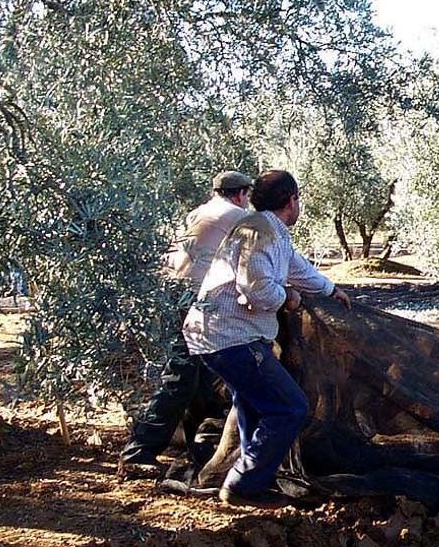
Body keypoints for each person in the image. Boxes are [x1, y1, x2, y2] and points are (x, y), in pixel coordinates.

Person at [182, 170, 351, 507]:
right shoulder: (259, 232)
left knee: (253, 406)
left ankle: (252, 480)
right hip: (230, 337)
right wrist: (287, 297)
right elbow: (258, 289)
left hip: (226, 335)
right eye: (298, 199)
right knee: (290, 407)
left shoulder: (269, 230)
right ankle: (243, 485)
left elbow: (298, 269)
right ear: (291, 199)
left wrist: (331, 290)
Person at [118, 170, 254, 477]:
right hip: (197, 302)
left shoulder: (199, 212)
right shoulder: (236, 216)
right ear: (241, 194)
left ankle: (203, 447)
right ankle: (139, 450)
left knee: (202, 378)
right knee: (181, 377)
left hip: (174, 297)